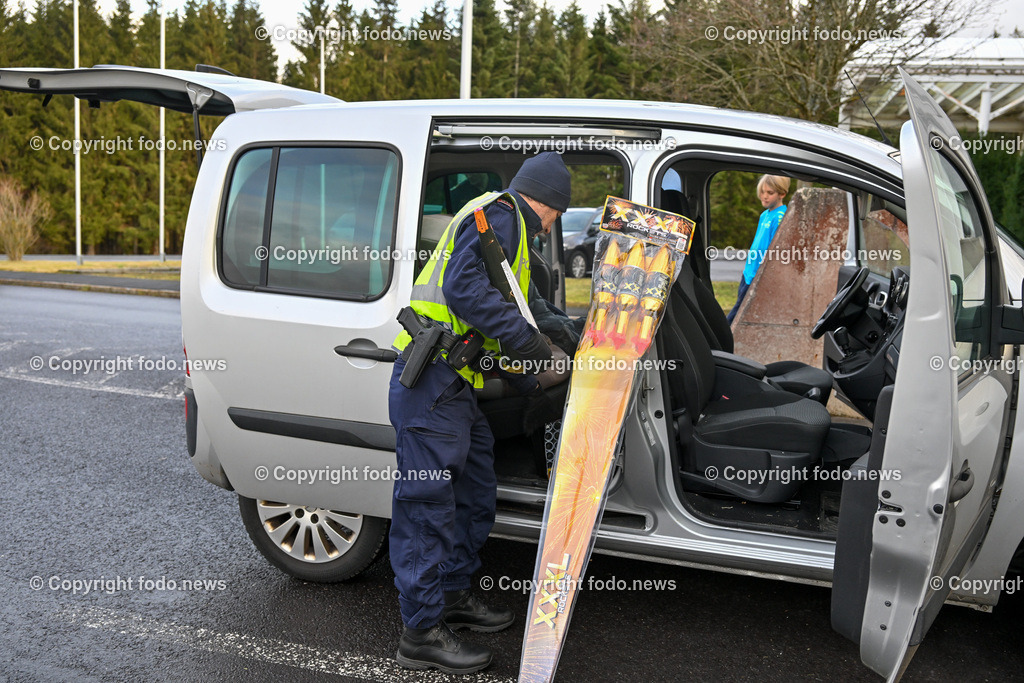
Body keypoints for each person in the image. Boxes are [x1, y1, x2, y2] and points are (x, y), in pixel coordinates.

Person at [389, 152, 571, 674]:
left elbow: (509, 313)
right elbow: (462, 290)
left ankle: (450, 596)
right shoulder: (504, 218)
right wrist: (536, 347)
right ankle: (420, 633)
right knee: (428, 509)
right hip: (430, 383)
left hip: (456, 384)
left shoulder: (504, 229)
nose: (554, 223)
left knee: (472, 492)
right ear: (547, 203)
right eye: (557, 213)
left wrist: (543, 357)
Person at [726, 174, 791, 323]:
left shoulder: (780, 217)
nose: (764, 196)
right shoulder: (764, 215)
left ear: (782, 194)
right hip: (748, 272)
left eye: (770, 193)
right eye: (762, 192)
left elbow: (775, 250)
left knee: (737, 315)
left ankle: (720, 339)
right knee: (741, 311)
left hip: (758, 275)